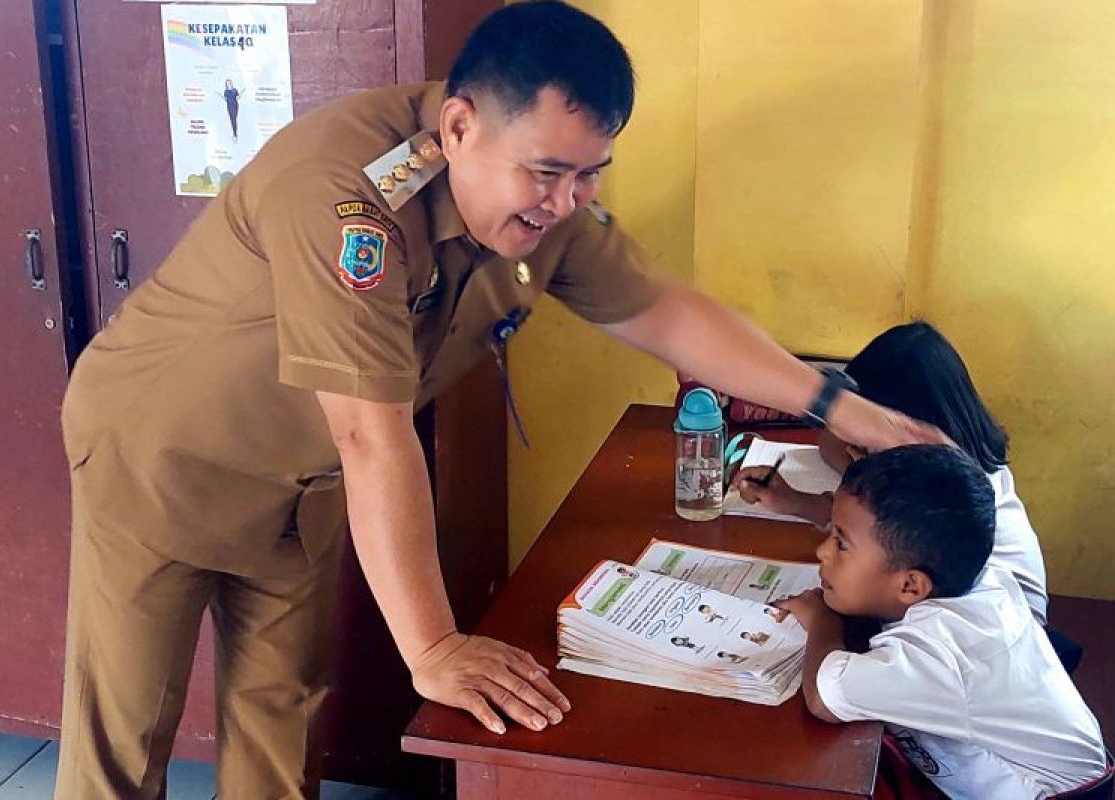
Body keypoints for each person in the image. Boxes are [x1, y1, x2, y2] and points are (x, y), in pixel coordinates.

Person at [54, 3, 943, 797]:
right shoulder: (347, 199)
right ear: (459, 127)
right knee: (126, 738)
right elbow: (373, 434)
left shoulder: (538, 202)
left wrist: (840, 403)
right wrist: (434, 648)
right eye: (548, 172)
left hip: (303, 483)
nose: (567, 203)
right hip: (164, 464)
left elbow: (666, 313)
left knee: (279, 721)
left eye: (591, 173)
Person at [779, 446, 1105, 799]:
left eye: (841, 543)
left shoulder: (944, 650)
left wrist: (819, 617)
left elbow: (825, 697)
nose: (821, 552)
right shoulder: (970, 579)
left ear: (911, 585)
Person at [732, 321, 1049, 625]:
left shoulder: (955, 486)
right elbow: (836, 450)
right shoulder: (939, 464)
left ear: (907, 421)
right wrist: (798, 502)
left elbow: (896, 532)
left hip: (996, 631)